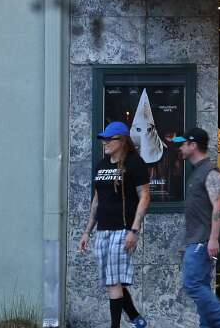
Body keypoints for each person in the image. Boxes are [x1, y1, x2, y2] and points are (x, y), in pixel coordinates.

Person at [78, 121, 151, 328]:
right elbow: (96, 200)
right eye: (104, 139)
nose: (105, 143)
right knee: (112, 279)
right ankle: (137, 318)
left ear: (123, 140)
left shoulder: (135, 163)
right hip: (102, 230)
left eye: (110, 139)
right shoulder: (101, 165)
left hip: (123, 229)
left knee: (113, 282)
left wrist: (134, 230)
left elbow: (145, 197)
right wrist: (87, 232)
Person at [174, 127, 220, 328]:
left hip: (203, 241)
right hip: (196, 240)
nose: (180, 148)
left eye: (183, 144)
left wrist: (212, 238)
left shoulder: (210, 172)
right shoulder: (196, 172)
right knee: (200, 286)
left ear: (193, 145)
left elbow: (218, 206)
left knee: (192, 284)